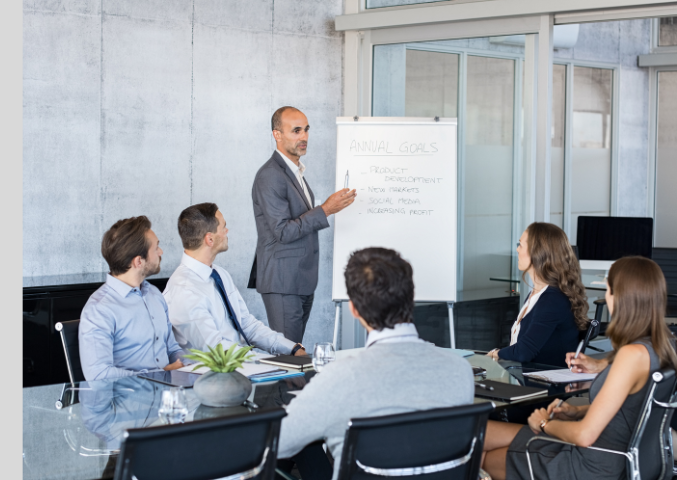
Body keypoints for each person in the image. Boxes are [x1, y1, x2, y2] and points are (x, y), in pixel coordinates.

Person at [277, 247, 475, 480]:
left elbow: (278, 442)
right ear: (411, 298)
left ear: (354, 309)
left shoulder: (340, 377)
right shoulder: (459, 371)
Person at [481, 256, 677, 480]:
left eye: (608, 290)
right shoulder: (666, 345)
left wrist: (545, 423)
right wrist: (577, 411)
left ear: (620, 297)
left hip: (590, 464)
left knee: (482, 455)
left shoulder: (631, 355)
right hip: (617, 457)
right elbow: (635, 408)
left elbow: (585, 435)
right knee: (482, 435)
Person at [571, 238, 677, 463]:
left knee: (592, 429)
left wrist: (643, 393)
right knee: (586, 417)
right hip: (672, 416)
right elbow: (668, 349)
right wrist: (602, 364)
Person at [249, 106, 356, 344]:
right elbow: (283, 231)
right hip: (283, 280)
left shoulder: (295, 172)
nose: (304, 136)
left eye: (306, 130)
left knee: (294, 350)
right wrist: (326, 209)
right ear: (277, 135)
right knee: (290, 355)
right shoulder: (270, 175)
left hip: (299, 279)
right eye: (296, 131)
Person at [164, 203, 305, 356]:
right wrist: (265, 361)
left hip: (242, 364)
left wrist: (292, 349)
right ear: (210, 239)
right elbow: (218, 351)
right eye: (223, 227)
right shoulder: (184, 290)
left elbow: (246, 324)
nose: (227, 231)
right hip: (217, 369)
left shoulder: (220, 274)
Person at [79, 216, 186, 381]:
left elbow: (172, 349)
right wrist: (158, 375)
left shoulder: (154, 294)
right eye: (156, 248)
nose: (161, 252)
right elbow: (99, 375)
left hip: (169, 392)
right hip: (128, 396)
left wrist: (192, 366)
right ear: (138, 261)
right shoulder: (99, 309)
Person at [487, 222, 587, 366]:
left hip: (542, 378)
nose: (517, 249)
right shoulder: (538, 294)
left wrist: (497, 353)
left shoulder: (552, 299)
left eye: (521, 245)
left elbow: (523, 352)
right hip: (524, 373)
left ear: (538, 253)